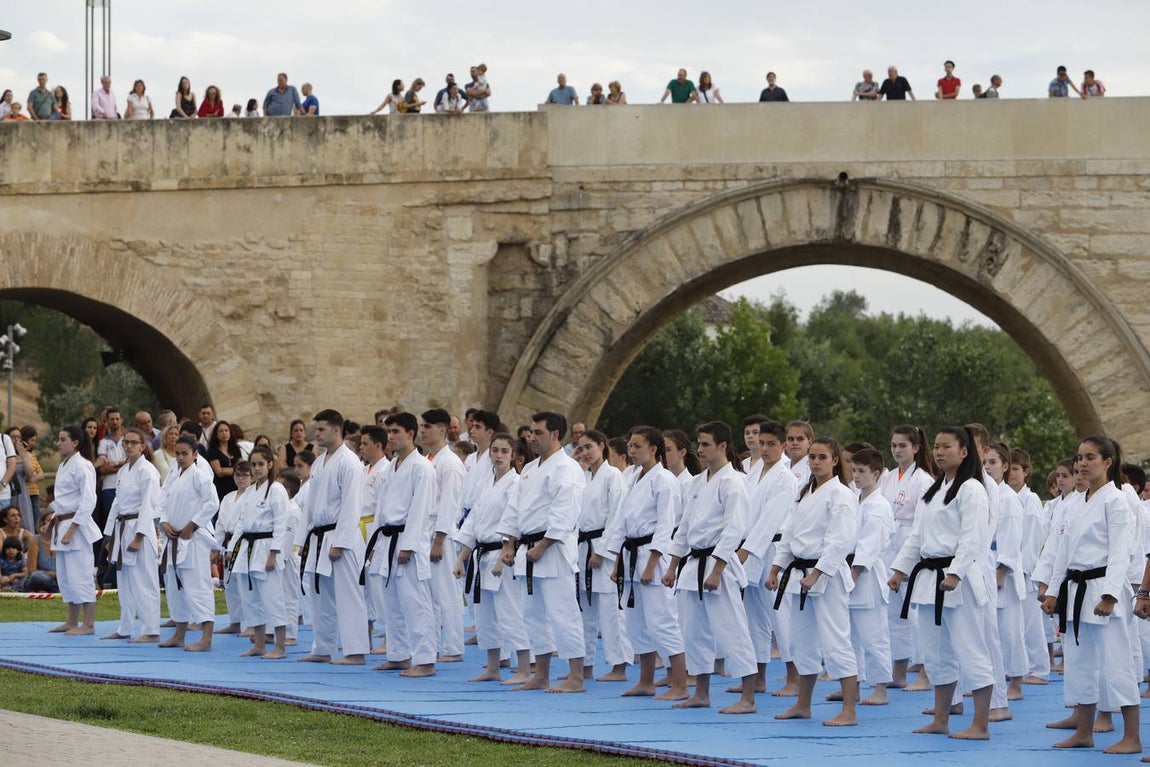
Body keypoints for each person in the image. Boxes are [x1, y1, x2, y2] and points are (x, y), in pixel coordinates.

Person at [888, 427, 995, 740]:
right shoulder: (936, 490)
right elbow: (917, 537)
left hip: (958, 581)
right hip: (929, 580)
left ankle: (980, 725)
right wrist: (899, 570)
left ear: (964, 452)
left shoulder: (972, 488)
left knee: (972, 651)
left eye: (946, 446)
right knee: (936, 655)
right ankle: (941, 719)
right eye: (936, 446)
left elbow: (973, 537)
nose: (939, 452)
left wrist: (956, 573)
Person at [1044, 437, 1141, 754]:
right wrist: (1054, 591)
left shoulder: (1116, 501)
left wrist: (1111, 595)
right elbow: (1062, 553)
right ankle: (1084, 730)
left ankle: (1132, 737)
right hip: (1075, 591)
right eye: (1079, 457)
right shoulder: (1074, 501)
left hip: (1102, 590)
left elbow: (1120, 553)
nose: (1082, 463)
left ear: (1107, 462)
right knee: (1079, 663)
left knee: (1117, 664)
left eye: (1090, 457)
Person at [665, 422, 757, 714]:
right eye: (699, 443)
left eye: (705, 444)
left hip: (721, 566)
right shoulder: (696, 482)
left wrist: (717, 570)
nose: (700, 449)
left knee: (732, 630)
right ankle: (701, 692)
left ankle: (748, 697)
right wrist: (672, 565)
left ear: (722, 446)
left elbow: (734, 529)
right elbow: (684, 528)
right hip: (693, 565)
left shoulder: (734, 482)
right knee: (693, 631)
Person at [767, 437, 859, 724]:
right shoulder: (803, 492)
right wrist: (775, 568)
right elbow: (789, 533)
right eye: (812, 457)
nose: (816, 462)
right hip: (799, 575)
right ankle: (803, 704)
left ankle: (849, 710)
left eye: (822, 457)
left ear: (835, 461)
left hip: (827, 578)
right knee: (800, 643)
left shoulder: (840, 494)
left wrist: (817, 573)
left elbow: (840, 540)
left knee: (836, 642)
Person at [497, 411, 587, 692]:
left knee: (563, 614)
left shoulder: (567, 469)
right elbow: (514, 509)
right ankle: (541, 675)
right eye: (531, 433)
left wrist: (544, 545)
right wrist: (510, 544)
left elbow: (565, 513)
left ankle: (576, 677)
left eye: (538, 433)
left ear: (555, 435)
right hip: (528, 550)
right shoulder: (530, 470)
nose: (532, 438)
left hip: (554, 551)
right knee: (532, 615)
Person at [454, 432, 531, 683]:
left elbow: (515, 521)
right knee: (483, 616)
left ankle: (524, 669)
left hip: (503, 555)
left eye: (504, 451)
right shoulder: (485, 484)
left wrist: (502, 558)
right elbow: (473, 522)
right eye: (495, 450)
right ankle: (492, 667)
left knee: (510, 612)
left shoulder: (517, 483)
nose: (498, 455)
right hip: (481, 555)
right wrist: (461, 557)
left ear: (514, 457)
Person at [366, 412, 438, 677]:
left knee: (416, 602)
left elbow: (422, 509)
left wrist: (409, 545)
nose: (391, 437)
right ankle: (398, 655)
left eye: (396, 431)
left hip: (409, 540)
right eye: (388, 432)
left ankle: (426, 660)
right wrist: (374, 542)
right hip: (388, 539)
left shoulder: (422, 467)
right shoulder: (389, 467)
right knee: (392, 603)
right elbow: (380, 509)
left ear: (411, 433)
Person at [299, 409, 370, 665]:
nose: (316, 434)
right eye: (316, 429)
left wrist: (340, 542)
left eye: (321, 429)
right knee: (321, 595)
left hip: (342, 537)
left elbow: (352, 504)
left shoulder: (349, 462)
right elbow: (310, 505)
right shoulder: (319, 462)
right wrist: (303, 540)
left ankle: (356, 651)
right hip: (319, 536)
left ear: (336, 430)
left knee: (349, 595)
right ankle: (323, 647)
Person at [737, 419, 798, 695]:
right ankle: (758, 676)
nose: (765, 448)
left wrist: (746, 550)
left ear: (783, 445)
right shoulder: (753, 471)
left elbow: (770, 520)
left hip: (772, 550)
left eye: (771, 444)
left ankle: (794, 677)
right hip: (750, 548)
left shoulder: (786, 477)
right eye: (762, 443)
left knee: (780, 614)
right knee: (754, 616)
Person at [880, 425, 936, 689]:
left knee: (914, 614)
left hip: (910, 547)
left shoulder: (924, 479)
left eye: (903, 445)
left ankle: (925, 672)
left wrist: (908, 560)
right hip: (888, 546)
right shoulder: (889, 477)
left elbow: (923, 523)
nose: (897, 450)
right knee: (894, 615)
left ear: (915, 447)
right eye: (893, 445)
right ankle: (899, 671)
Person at [574, 428, 632, 681]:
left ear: (602, 446)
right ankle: (585, 665)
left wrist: (602, 551)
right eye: (581, 448)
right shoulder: (583, 477)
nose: (585, 453)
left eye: (589, 447)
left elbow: (618, 517)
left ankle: (619, 666)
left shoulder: (613, 476)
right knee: (584, 611)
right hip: (581, 546)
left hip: (603, 549)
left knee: (611, 611)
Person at [158, 435, 220, 652]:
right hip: (173, 539)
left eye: (185, 453)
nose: (181, 457)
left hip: (192, 540)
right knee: (175, 588)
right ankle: (179, 634)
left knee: (198, 587)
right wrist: (164, 522)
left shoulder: (200, 476)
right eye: (177, 453)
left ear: (195, 455)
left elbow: (212, 503)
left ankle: (206, 638)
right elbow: (161, 501)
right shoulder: (173, 476)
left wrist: (192, 525)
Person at [102, 427, 162, 643]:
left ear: (142, 446)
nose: (128, 446)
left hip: (140, 528)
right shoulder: (123, 470)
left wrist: (140, 536)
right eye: (125, 442)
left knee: (144, 580)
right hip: (122, 528)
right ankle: (125, 626)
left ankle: (151, 630)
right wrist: (109, 536)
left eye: (133, 442)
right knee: (124, 580)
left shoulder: (148, 471)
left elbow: (149, 505)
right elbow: (117, 504)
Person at [846, 447, 895, 705]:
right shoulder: (855, 500)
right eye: (854, 470)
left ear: (876, 473)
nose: (856, 476)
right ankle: (851, 686)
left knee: (873, 636)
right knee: (849, 636)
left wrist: (854, 573)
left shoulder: (878, 506)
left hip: (866, 576)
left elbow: (868, 545)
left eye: (862, 471)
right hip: (847, 571)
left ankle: (880, 688)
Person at [233, 446, 290, 659]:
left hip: (267, 547)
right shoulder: (250, 491)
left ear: (269, 464)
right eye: (253, 464)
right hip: (248, 548)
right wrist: (233, 549)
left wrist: (274, 553)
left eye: (260, 464)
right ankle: (259, 644)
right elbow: (241, 522)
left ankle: (280, 646)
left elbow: (281, 523)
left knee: (272, 597)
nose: (256, 468)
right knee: (251, 598)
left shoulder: (276, 489)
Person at [982, 443, 1027, 703]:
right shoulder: (985, 493)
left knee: (1010, 632)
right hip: (984, 564)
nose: (988, 467)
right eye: (985, 462)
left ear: (1005, 466)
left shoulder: (1009, 498)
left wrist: (1001, 570)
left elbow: (1011, 538)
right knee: (990, 632)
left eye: (993, 463)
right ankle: (990, 680)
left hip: (1003, 572)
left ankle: (1016, 682)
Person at [1007, 448, 1051, 685]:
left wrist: (1023, 569)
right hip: (1010, 568)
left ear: (1026, 472)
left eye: (1016, 469)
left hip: (1025, 570)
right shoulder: (1005, 496)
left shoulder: (1030, 499)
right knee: (1015, 624)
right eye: (1010, 468)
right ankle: (1019, 666)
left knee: (1031, 624)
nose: (1011, 474)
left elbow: (1033, 539)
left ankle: (1040, 669)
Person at [214, 460, 251, 635]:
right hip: (227, 542)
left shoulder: (253, 496)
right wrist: (216, 548)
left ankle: (252, 625)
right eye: (237, 474)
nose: (241, 478)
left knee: (245, 585)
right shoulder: (228, 497)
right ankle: (235, 622)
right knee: (230, 585)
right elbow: (220, 524)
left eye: (245, 475)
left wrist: (232, 550)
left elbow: (242, 525)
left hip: (242, 544)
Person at [207, 421, 242, 500]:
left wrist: (226, 470)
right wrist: (236, 470)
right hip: (222, 489)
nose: (224, 433)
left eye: (226, 430)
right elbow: (219, 471)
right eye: (221, 431)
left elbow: (242, 468)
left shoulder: (235, 449)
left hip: (237, 486)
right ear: (216, 434)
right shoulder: (213, 451)